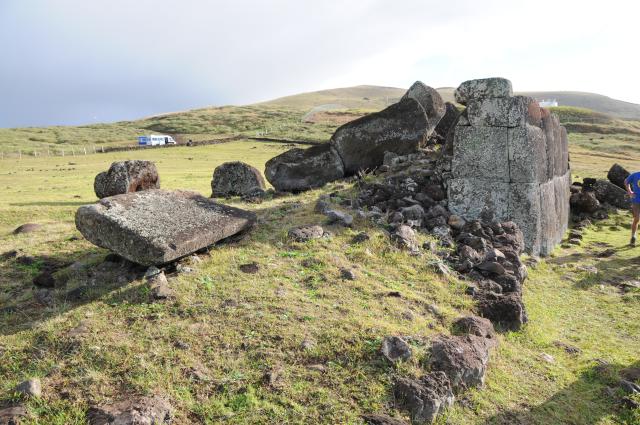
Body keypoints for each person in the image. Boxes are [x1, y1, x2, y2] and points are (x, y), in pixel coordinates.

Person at [624, 170, 640, 246]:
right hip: (636, 200)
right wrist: (629, 191)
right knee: (636, 219)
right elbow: (626, 181)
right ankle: (633, 236)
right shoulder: (635, 175)